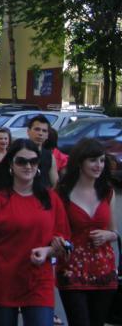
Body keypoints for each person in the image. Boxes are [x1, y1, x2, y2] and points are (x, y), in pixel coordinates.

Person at [0, 139, 70, 326]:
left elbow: (64, 240)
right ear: (11, 164)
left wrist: (48, 251)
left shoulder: (50, 199)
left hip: (38, 282)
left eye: (33, 162)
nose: (28, 166)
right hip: (3, 282)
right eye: (21, 161)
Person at [55, 139, 118, 326]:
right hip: (72, 269)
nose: (98, 165)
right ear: (80, 162)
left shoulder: (107, 191)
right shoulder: (63, 192)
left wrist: (109, 235)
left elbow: (114, 231)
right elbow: (54, 229)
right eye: (93, 160)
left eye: (101, 160)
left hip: (104, 270)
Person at [27, 114, 59, 187]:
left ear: (47, 135)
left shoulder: (50, 156)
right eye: (37, 129)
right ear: (28, 131)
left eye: (44, 131)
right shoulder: (18, 152)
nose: (40, 133)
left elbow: (55, 183)